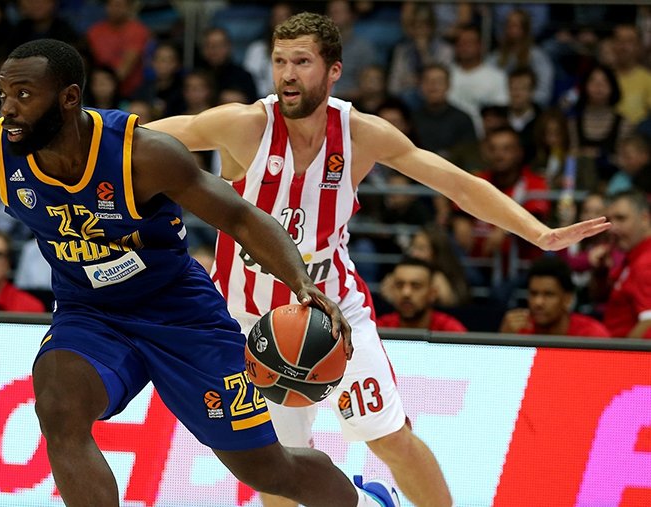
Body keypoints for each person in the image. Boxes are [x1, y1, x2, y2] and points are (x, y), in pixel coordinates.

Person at [0, 39, 401, 507]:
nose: (8, 108)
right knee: (58, 404)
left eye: (24, 95)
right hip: (90, 314)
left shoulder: (142, 155)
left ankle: (366, 500)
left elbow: (238, 216)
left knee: (265, 468)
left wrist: (301, 282)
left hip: (180, 313)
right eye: (4, 94)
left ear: (69, 98)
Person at [146, 12, 609, 507]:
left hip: (334, 314)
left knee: (390, 438)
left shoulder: (361, 134)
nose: (287, 74)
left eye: (302, 62)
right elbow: (135, 139)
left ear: (334, 70)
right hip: (252, 320)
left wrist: (538, 233)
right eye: (280, 61)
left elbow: (457, 184)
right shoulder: (244, 125)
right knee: (277, 468)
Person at [499, 256, 609, 337]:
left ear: (567, 299)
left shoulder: (591, 335)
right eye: (533, 293)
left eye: (548, 294)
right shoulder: (518, 331)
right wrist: (505, 339)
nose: (538, 302)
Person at [591, 190, 651, 338]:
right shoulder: (633, 258)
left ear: (645, 218)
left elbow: (648, 323)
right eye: (610, 220)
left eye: (621, 218)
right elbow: (601, 298)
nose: (613, 228)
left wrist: (619, 352)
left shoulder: (646, 262)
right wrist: (600, 272)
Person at [376, 257, 467, 332]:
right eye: (399, 285)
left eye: (416, 286)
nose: (406, 293)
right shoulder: (378, 329)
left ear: (432, 293)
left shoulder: (450, 330)